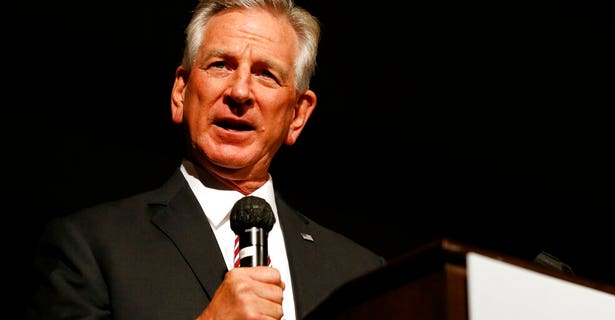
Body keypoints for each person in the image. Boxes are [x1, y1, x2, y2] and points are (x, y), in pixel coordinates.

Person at [23, 0, 386, 319]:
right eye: (220, 65)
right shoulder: (92, 247)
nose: (240, 91)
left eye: (265, 74)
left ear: (297, 115)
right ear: (181, 93)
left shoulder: (359, 274)